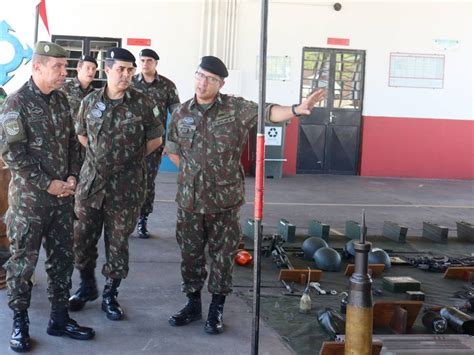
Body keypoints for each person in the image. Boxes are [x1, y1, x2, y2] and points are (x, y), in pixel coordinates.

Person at [166, 56, 326, 335]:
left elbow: (269, 112)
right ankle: (193, 304)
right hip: (189, 201)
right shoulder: (181, 112)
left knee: (223, 257)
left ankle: (216, 309)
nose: (204, 82)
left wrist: (298, 109)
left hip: (225, 202)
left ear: (221, 83)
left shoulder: (236, 108)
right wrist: (194, 175)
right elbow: (172, 150)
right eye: (200, 76)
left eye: (211, 79)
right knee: (190, 256)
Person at [0, 41, 95, 353]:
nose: (62, 74)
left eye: (64, 68)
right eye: (57, 67)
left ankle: (59, 318)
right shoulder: (16, 104)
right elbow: (13, 154)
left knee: (62, 260)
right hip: (30, 203)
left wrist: (72, 176)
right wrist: (48, 183)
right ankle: (20, 323)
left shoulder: (61, 101)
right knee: (22, 265)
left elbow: (73, 143)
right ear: (37, 67)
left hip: (62, 200)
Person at [69, 47, 164, 321]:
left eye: (130, 70)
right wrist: (101, 160)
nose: (126, 74)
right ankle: (87, 286)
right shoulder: (89, 102)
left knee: (117, 243)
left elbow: (156, 139)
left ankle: (111, 294)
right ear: (107, 69)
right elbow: (82, 135)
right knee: (81, 239)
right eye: (120, 69)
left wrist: (127, 161)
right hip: (91, 186)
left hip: (126, 187)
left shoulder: (143, 103)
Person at [132, 48, 180, 239]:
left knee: (147, 182)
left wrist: (169, 143)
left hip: (154, 142)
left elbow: (176, 115)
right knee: (127, 182)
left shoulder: (167, 86)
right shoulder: (131, 82)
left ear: (156, 63)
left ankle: (143, 220)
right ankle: (125, 220)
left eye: (149, 60)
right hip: (130, 142)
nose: (145, 64)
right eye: (142, 60)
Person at [60, 54, 98, 165]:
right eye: (88, 68)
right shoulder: (64, 90)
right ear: (78, 68)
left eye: (94, 69)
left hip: (87, 145)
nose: (91, 72)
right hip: (68, 143)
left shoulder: (96, 94)